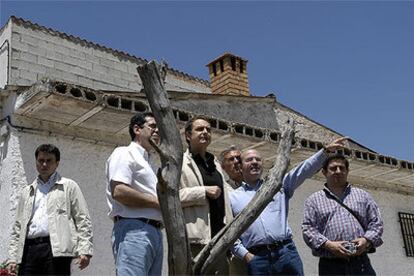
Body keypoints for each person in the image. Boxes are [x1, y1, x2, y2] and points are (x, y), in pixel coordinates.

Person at [230, 137, 347, 275]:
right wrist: (246, 256)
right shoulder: (232, 197)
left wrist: (325, 152)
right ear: (240, 167)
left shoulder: (277, 186)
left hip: (286, 253)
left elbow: (302, 170)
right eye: (249, 160)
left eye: (258, 159)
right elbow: (229, 233)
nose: (255, 162)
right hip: (257, 258)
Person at [7, 144, 93, 276]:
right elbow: (18, 226)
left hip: (56, 250)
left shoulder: (68, 187)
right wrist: (13, 258)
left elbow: (82, 219)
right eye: (41, 160)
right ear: (36, 162)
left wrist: (84, 250)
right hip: (29, 249)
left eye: (49, 160)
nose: (44, 164)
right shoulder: (27, 191)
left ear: (57, 163)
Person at [302, 154, 383, 275]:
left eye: (342, 168)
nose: (338, 171)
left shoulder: (363, 195)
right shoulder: (313, 200)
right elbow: (308, 228)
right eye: (333, 168)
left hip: (361, 263)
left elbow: (376, 223)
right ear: (324, 172)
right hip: (330, 265)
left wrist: (366, 240)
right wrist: (328, 245)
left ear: (347, 171)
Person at [106, 112, 163, 276]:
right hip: (134, 230)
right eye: (152, 126)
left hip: (153, 231)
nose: (157, 130)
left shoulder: (148, 162)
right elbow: (119, 191)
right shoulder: (124, 153)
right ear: (137, 129)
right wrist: (157, 202)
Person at [180, 116, 233, 274]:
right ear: (188, 136)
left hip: (220, 240)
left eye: (208, 129)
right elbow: (170, 196)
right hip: (196, 241)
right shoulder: (179, 162)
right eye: (200, 129)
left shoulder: (214, 163)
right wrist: (203, 192)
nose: (205, 132)